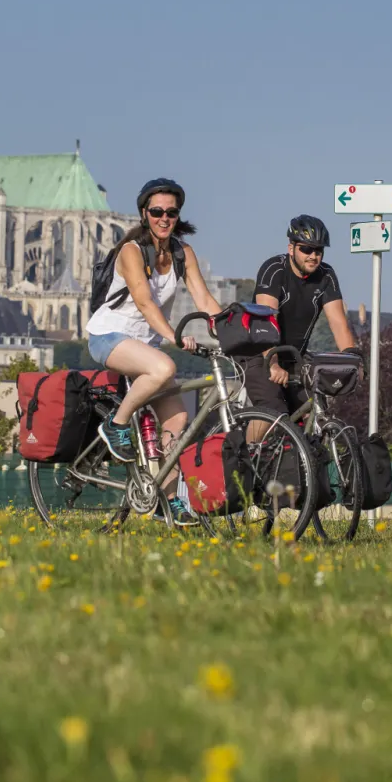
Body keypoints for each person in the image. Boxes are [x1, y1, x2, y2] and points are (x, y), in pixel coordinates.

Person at [86, 178, 221, 525]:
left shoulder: (182, 253)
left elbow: (205, 300)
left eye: (171, 213)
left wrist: (234, 331)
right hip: (109, 337)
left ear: (178, 216)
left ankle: (169, 499)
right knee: (163, 368)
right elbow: (145, 303)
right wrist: (175, 337)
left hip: (146, 346)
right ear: (144, 214)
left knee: (176, 420)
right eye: (157, 212)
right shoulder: (131, 251)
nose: (164, 218)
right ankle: (115, 425)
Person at [241, 215, 360, 423]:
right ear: (291, 248)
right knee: (274, 411)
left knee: (316, 412)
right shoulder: (274, 269)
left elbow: (339, 324)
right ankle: (249, 444)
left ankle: (303, 445)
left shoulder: (326, 276)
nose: (313, 256)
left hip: (294, 357)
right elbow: (265, 322)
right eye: (306, 249)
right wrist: (273, 364)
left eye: (319, 251)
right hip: (260, 353)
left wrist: (354, 360)